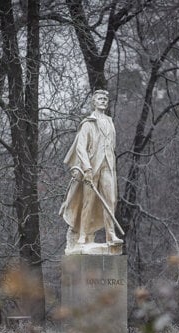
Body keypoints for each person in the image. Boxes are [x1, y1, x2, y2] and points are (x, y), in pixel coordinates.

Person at [59, 90, 123, 251]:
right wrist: (86, 167)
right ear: (94, 102)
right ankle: (83, 234)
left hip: (108, 165)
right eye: (100, 99)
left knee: (111, 200)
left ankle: (111, 235)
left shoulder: (110, 121)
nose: (103, 101)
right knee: (88, 201)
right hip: (92, 167)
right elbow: (80, 147)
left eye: (105, 99)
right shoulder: (88, 123)